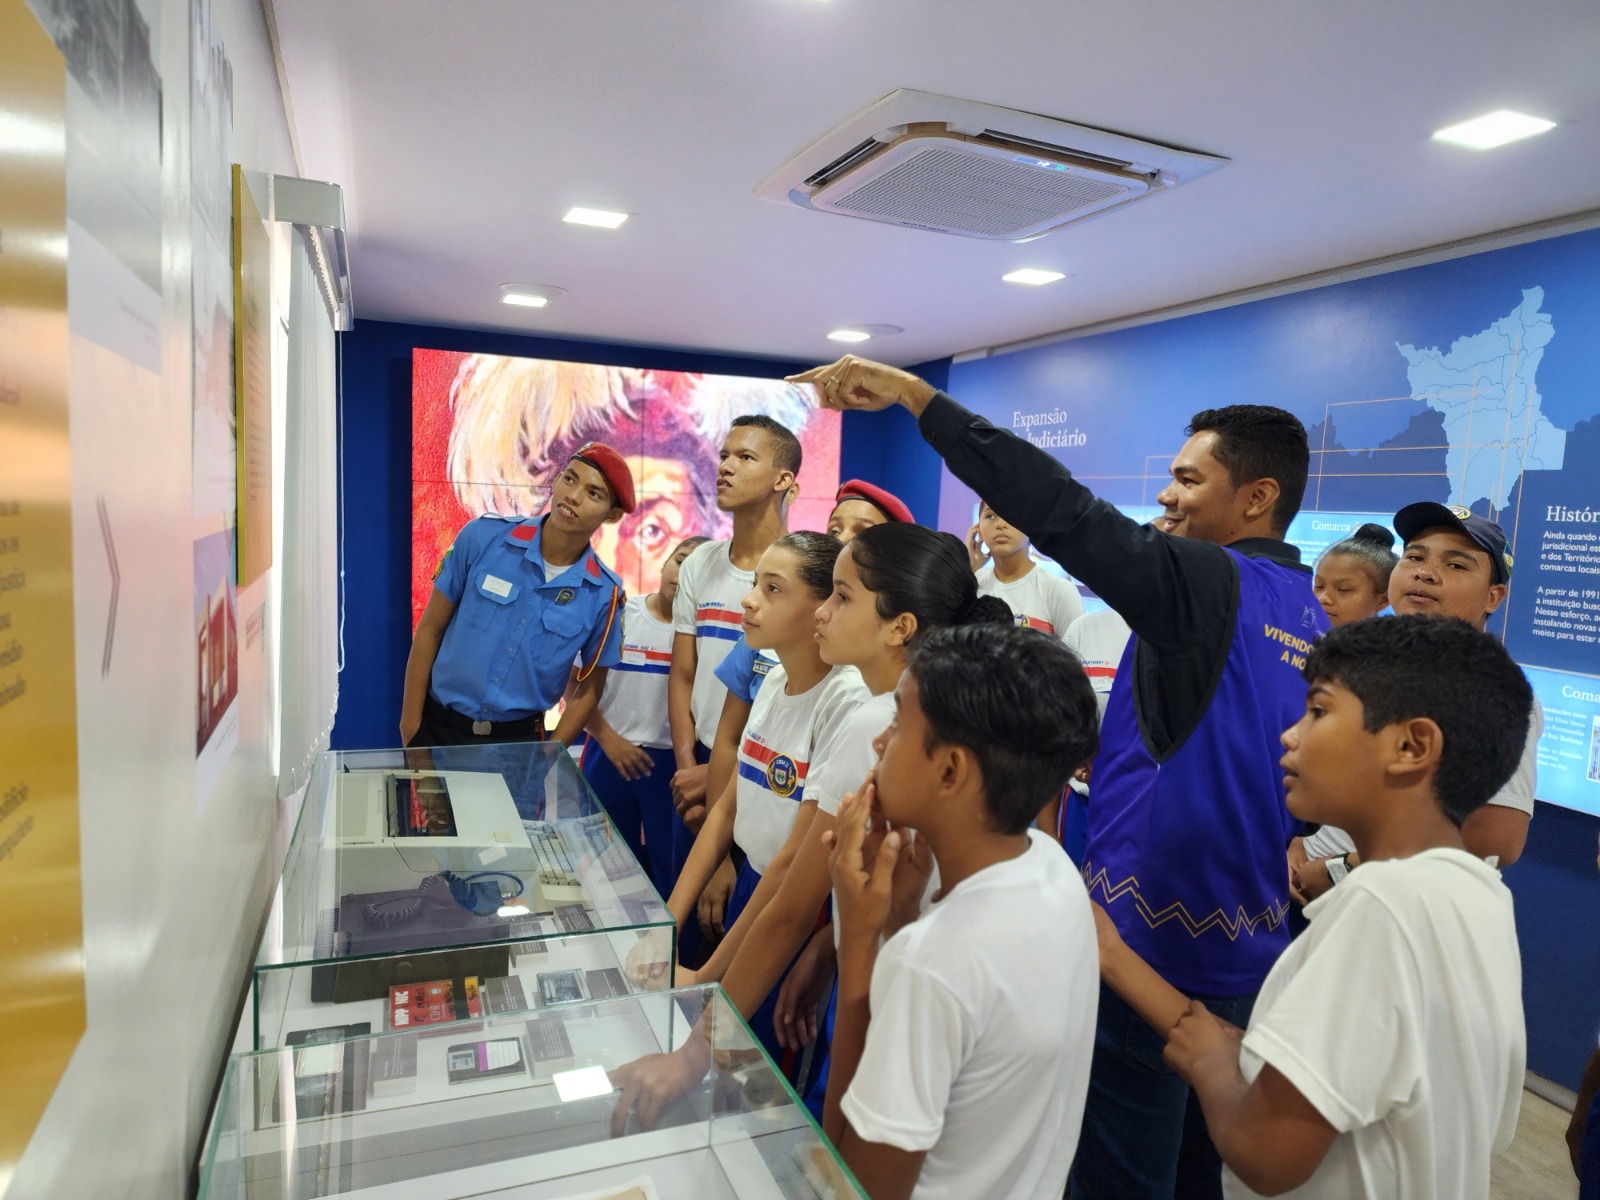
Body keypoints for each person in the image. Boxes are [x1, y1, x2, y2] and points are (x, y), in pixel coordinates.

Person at [792, 354, 1327, 1200]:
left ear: (1256, 497)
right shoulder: (1307, 609)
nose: (1166, 500)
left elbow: (1068, 514)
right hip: (1244, 957)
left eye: (1188, 480)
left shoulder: (1209, 583)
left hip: (1146, 956)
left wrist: (917, 400)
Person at [1096, 615, 1532, 1200]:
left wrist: (1209, 1066)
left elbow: (1266, 1153)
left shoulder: (1380, 908)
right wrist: (1112, 955)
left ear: (1411, 746)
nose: (1290, 735)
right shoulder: (1477, 895)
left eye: (1319, 712)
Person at [685, 525, 1013, 1094]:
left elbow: (793, 896)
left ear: (900, 627)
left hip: (890, 981)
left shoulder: (873, 717)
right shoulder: (933, 707)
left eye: (841, 597)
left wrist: (693, 1052)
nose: (824, 613)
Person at [821, 624, 1102, 1200]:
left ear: (950, 771)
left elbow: (850, 1183)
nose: (879, 743)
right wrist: (900, 920)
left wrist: (858, 945)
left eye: (898, 723)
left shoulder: (931, 963)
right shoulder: (1051, 868)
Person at [663, 532, 867, 1063]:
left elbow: (791, 869)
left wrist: (707, 976)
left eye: (773, 589)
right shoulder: (773, 678)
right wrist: (666, 923)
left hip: (796, 904)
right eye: (755, 584)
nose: (749, 600)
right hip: (754, 883)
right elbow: (727, 806)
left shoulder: (846, 701)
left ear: (823, 607)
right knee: (723, 1055)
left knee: (756, 1067)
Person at [696, 478, 917, 941]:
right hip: (756, 868)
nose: (842, 542)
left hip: (802, 895)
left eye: (862, 534)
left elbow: (801, 863)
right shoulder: (773, 671)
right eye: (836, 527)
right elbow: (733, 764)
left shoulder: (858, 705)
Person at [1294, 503, 1540, 900]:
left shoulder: (1491, 690)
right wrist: (1300, 841)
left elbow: (1497, 837)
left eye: (1456, 565)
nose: (1424, 572)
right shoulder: (1371, 664)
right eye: (1414, 557)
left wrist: (1342, 868)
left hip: (1389, 906)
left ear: (1493, 596)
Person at [666, 416, 800, 953]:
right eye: (724, 455)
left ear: (783, 479)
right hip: (699, 761)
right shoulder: (700, 561)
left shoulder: (805, 569)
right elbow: (682, 675)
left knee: (741, 936)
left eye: (745, 457)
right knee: (687, 935)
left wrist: (722, 776)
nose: (725, 466)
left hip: (767, 769)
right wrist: (687, 769)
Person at [400, 443, 633, 747]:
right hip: (440, 729)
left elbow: (589, 691)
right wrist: (411, 728)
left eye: (593, 493)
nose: (573, 496)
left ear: (612, 514)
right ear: (557, 479)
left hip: (519, 745)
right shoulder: (483, 538)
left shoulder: (604, 594)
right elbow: (430, 629)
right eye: (570, 479)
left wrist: (547, 757)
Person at [576, 535, 707, 896]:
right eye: (680, 561)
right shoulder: (620, 615)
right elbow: (574, 688)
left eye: (696, 569)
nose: (683, 575)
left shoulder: (705, 639)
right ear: (664, 562)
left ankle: (664, 948)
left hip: (670, 768)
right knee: (602, 871)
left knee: (672, 871)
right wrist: (609, 738)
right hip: (608, 756)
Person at [1286, 525, 1396, 895]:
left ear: (1383, 598)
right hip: (1294, 845)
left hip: (1359, 870)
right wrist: (1297, 839)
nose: (1324, 599)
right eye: (1318, 586)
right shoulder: (1303, 655)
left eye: (1344, 590)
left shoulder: (1392, 673)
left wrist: (1337, 863)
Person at [968, 499, 1085, 635]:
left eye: (1012, 515)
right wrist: (968, 570)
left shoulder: (1058, 590)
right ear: (979, 531)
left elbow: (1078, 653)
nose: (1000, 524)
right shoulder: (972, 582)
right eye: (990, 516)